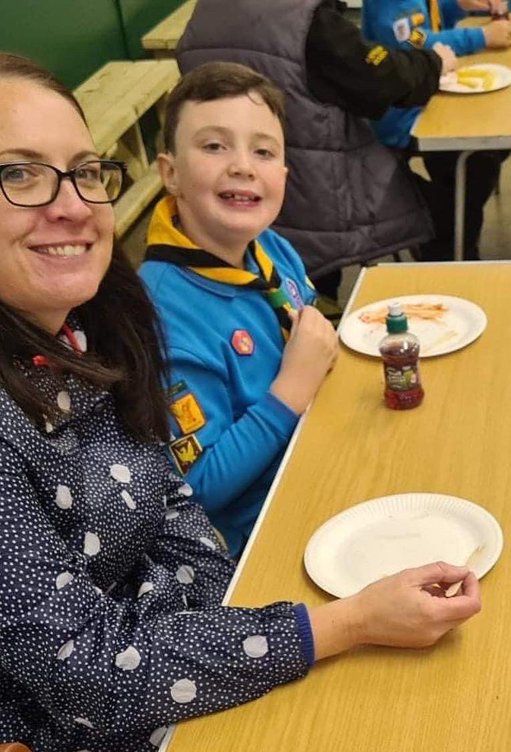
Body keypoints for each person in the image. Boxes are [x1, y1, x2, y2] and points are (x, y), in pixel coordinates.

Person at [0, 53, 481, 752]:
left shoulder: (89, 330)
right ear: (168, 172)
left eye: (83, 173)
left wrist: (172, 625)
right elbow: (92, 676)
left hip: (210, 647)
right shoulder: (138, 312)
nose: (70, 205)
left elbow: (179, 519)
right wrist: (337, 624)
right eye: (19, 175)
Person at [140, 63, 340, 558]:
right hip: (261, 537)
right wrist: (290, 391)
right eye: (214, 146)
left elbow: (317, 339)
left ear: (284, 175)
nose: (243, 166)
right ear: (170, 173)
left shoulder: (269, 249)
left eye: (264, 151)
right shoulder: (161, 316)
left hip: (325, 456)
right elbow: (197, 490)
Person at [177, 0, 458, 308]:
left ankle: (314, 305)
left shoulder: (204, 15)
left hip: (232, 205)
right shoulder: (309, 24)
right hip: (318, 198)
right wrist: (433, 63)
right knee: (443, 211)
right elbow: (383, 81)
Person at [361, 0, 511, 260]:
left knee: (492, 140)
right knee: (477, 159)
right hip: (403, 113)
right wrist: (481, 37)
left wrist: (455, 6)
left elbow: (424, 18)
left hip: (430, 93)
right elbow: (410, 40)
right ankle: (448, 247)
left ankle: (454, 230)